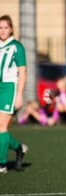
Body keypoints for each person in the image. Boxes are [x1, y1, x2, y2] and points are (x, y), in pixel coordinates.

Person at [0, 15, 28, 173]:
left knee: (1, 126)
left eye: (5, 27)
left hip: (9, 89)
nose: (3, 31)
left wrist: (19, 95)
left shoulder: (17, 46)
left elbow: (23, 71)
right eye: (0, 27)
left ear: (11, 29)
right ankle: (19, 148)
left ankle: (2, 164)